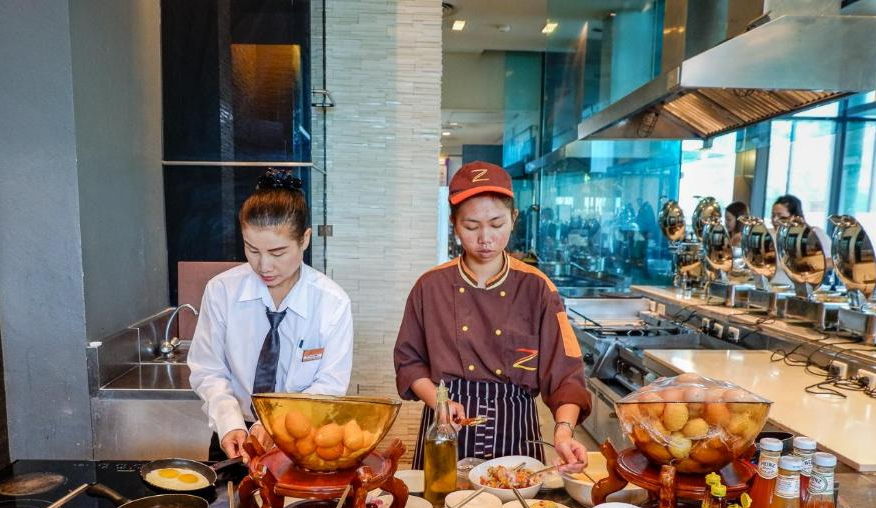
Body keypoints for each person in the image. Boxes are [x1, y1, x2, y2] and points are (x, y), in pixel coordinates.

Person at [394, 161, 592, 472]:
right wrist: (439, 402)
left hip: (516, 429)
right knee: (440, 501)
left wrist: (564, 431)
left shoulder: (537, 288)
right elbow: (409, 361)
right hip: (448, 425)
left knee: (517, 504)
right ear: (453, 223)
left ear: (514, 218)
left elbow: (566, 373)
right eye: (471, 226)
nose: (485, 238)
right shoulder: (430, 286)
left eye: (497, 224)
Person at [187, 169, 354, 470]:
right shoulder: (222, 291)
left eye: (278, 252)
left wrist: (279, 422)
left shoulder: (332, 302)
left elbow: (330, 384)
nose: (264, 266)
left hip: (300, 437)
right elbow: (208, 370)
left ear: (305, 239)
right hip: (234, 435)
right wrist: (229, 423)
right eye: (252, 250)